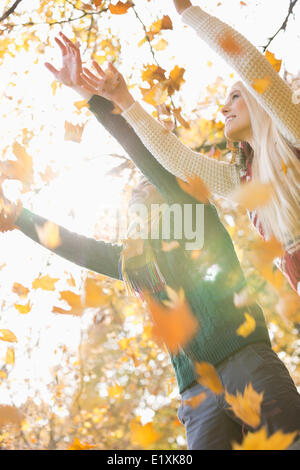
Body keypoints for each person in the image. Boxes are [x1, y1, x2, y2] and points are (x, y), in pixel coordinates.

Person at [1, 33, 300, 451]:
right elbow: (78, 247)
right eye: (134, 192)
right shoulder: (135, 262)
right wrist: (19, 218)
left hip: (246, 363)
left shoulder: (195, 215)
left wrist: (94, 99)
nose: (140, 190)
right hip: (196, 393)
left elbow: (148, 159)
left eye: (149, 184)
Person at [70, 1, 300, 295]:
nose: (223, 107)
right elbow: (175, 158)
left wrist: (186, 11)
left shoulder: (293, 133)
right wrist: (124, 101)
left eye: (235, 97)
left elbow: (248, 62)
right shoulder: (245, 182)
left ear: (260, 102)